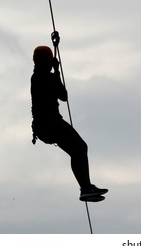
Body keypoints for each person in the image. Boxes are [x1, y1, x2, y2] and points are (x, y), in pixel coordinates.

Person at [31, 46, 108, 201]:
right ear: (48, 61)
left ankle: (86, 188)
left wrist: (53, 71)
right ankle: (86, 188)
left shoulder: (35, 77)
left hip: (44, 127)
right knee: (80, 148)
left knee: (77, 150)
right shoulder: (47, 77)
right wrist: (57, 72)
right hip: (51, 124)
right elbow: (64, 96)